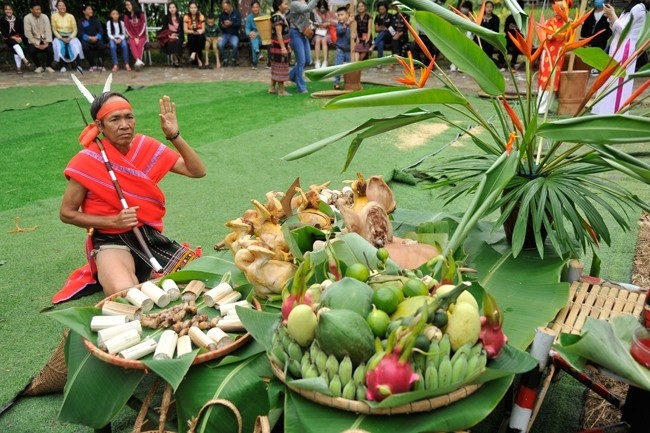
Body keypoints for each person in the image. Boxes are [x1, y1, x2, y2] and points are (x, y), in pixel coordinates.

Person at [58, 92, 206, 299]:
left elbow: (197, 171)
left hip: (147, 236)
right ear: (99, 126)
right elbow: (66, 213)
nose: (125, 124)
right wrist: (113, 221)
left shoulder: (145, 146)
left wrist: (174, 135)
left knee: (203, 278)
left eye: (129, 117)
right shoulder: (87, 161)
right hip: (110, 238)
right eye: (115, 119)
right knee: (126, 294)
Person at [592, 0, 648, 114]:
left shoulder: (638, 8)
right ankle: (604, 109)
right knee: (610, 78)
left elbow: (624, 30)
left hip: (625, 48)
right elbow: (616, 29)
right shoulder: (629, 8)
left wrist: (613, 14)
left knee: (618, 81)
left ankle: (615, 111)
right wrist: (610, 17)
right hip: (617, 46)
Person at [537, 0, 569, 115]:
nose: (558, 11)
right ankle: (541, 109)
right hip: (549, 56)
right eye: (556, 8)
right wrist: (565, 27)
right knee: (546, 80)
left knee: (555, 81)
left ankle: (548, 108)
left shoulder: (566, 24)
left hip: (559, 56)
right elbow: (549, 37)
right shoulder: (550, 22)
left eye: (561, 9)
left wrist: (569, 25)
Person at [288, 0, 318, 93]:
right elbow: (307, 9)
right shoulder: (294, 4)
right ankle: (301, 87)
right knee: (301, 61)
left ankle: (291, 75)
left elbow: (306, 14)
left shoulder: (305, 2)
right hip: (295, 33)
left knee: (308, 60)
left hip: (303, 33)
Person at [580, 0, 614, 75]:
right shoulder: (589, 13)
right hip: (587, 43)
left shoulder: (608, 14)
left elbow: (608, 33)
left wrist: (594, 42)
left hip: (600, 43)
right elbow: (584, 31)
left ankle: (597, 69)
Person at [51, 0, 83, 72]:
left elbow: (75, 30)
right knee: (59, 46)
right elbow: (54, 30)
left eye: (63, 5)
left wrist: (70, 37)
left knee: (76, 45)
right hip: (59, 36)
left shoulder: (71, 16)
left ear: (66, 7)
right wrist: (61, 38)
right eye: (60, 5)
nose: (62, 7)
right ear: (57, 7)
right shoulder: (54, 16)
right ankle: (62, 65)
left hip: (70, 36)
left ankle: (78, 65)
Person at [23, 0, 55, 73]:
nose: (39, 11)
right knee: (32, 50)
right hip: (34, 40)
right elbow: (27, 33)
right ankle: (38, 66)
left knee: (51, 50)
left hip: (45, 39)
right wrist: (35, 44)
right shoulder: (27, 18)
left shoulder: (45, 17)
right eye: (36, 9)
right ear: (31, 10)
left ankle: (48, 66)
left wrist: (47, 42)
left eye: (39, 9)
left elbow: (48, 30)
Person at [1, 3, 30, 74]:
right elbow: (4, 33)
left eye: (10, 9)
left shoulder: (18, 20)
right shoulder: (2, 20)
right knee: (14, 42)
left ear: (12, 10)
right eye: (6, 9)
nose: (8, 11)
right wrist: (13, 37)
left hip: (18, 38)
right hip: (7, 38)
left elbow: (22, 31)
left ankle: (19, 68)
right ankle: (24, 59)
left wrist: (19, 37)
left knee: (16, 45)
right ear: (4, 11)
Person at [269, 0, 291, 95]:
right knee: (280, 66)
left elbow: (285, 33)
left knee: (276, 66)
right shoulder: (277, 17)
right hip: (278, 46)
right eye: (285, 4)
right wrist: (283, 47)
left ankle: (272, 88)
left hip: (280, 45)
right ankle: (281, 90)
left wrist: (287, 45)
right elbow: (278, 33)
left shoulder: (281, 16)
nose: (287, 6)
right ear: (279, 6)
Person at [78, 4, 105, 72]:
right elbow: (81, 32)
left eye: (91, 9)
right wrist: (88, 38)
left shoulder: (95, 20)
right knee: (84, 47)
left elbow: (101, 30)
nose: (91, 11)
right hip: (87, 40)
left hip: (96, 38)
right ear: (84, 11)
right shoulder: (81, 21)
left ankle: (100, 64)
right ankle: (92, 65)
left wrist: (97, 37)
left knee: (101, 46)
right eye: (89, 9)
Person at [497, 0, 524, 70]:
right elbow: (505, 30)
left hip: (519, 39)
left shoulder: (523, 18)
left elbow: (524, 32)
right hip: (509, 38)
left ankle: (513, 62)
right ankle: (501, 62)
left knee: (517, 47)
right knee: (502, 45)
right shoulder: (509, 18)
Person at [159, 2, 183, 67]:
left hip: (178, 35)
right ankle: (175, 60)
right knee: (170, 42)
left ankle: (177, 59)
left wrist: (177, 35)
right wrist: (169, 35)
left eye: (173, 7)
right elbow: (164, 29)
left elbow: (182, 30)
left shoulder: (180, 18)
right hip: (169, 35)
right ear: (168, 9)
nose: (172, 9)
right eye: (170, 7)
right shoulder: (166, 18)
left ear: (176, 9)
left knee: (177, 42)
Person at [218, 0, 242, 66]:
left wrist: (231, 24)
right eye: (224, 9)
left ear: (230, 6)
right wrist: (223, 25)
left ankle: (234, 59)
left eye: (226, 8)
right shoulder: (222, 14)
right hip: (225, 34)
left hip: (234, 34)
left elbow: (239, 24)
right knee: (220, 44)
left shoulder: (236, 13)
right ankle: (224, 59)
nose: (225, 10)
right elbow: (219, 26)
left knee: (234, 44)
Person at [333, 5, 351, 90]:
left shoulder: (351, 24)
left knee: (348, 68)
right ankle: (336, 82)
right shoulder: (339, 25)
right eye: (339, 15)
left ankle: (348, 82)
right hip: (340, 50)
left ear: (347, 14)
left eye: (342, 14)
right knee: (338, 68)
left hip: (348, 50)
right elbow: (340, 32)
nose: (340, 17)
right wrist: (346, 24)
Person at [124, 0, 146, 68]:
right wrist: (133, 37)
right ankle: (138, 61)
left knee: (139, 44)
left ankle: (138, 61)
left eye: (128, 4)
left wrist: (138, 36)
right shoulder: (126, 16)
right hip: (132, 36)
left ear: (133, 4)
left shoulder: (141, 14)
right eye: (126, 5)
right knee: (132, 43)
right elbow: (127, 29)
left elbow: (144, 26)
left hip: (142, 36)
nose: (127, 6)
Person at [313, 0, 335, 69]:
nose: (322, 9)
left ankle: (325, 61)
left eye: (323, 8)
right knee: (317, 40)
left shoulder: (330, 13)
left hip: (327, 32)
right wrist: (317, 24)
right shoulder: (315, 13)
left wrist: (328, 23)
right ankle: (317, 60)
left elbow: (335, 22)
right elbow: (312, 22)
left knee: (324, 40)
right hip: (319, 32)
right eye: (321, 8)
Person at [184, 1, 205, 68]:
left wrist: (200, 31)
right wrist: (193, 31)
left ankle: (193, 54)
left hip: (200, 35)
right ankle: (199, 61)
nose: (193, 9)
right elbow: (185, 30)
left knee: (199, 38)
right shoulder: (186, 17)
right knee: (193, 38)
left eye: (195, 7)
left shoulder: (201, 16)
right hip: (191, 35)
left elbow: (203, 29)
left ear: (197, 8)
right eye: (191, 8)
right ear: (189, 8)